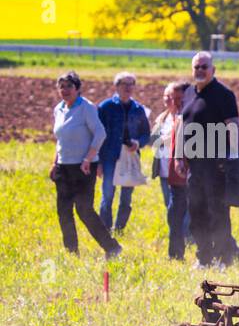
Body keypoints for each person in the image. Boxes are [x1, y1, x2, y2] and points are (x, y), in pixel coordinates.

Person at [180, 51, 239, 267]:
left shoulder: (224, 94)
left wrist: (231, 159)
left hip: (217, 165)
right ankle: (204, 257)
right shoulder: (188, 93)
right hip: (194, 166)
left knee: (218, 213)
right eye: (196, 67)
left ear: (213, 70)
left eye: (204, 67)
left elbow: (233, 126)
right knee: (196, 212)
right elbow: (183, 126)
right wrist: (180, 156)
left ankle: (224, 259)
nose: (199, 70)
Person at [50, 72, 121, 258]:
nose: (65, 90)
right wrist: (54, 162)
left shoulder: (86, 108)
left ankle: (112, 248)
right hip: (63, 167)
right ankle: (72, 252)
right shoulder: (59, 109)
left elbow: (100, 133)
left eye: (69, 86)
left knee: (84, 209)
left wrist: (88, 159)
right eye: (62, 86)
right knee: (63, 211)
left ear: (77, 88)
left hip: (83, 168)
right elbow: (60, 140)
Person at [96, 72, 152, 233]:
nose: (128, 87)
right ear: (116, 86)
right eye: (124, 84)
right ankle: (105, 230)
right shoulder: (105, 107)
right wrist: (98, 162)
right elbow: (98, 135)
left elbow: (146, 134)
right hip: (109, 158)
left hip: (130, 157)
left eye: (131, 84)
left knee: (126, 198)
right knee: (107, 196)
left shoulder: (139, 109)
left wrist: (138, 143)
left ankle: (119, 229)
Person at [147, 81, 191, 260]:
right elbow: (153, 140)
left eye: (179, 98)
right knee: (173, 211)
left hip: (191, 172)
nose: (175, 102)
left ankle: (222, 248)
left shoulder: (191, 116)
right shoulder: (165, 118)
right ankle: (175, 254)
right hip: (171, 172)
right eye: (173, 98)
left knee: (194, 210)